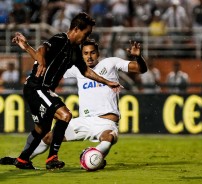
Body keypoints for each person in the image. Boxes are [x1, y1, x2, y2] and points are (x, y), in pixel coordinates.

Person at [0, 34, 147, 169]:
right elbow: (47, 64)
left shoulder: (111, 63)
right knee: (48, 137)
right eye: (85, 53)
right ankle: (22, 159)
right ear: (81, 55)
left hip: (106, 123)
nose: (89, 57)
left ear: (98, 53)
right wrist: (27, 47)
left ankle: (92, 155)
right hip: (84, 121)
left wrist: (138, 57)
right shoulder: (77, 69)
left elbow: (141, 69)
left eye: (92, 53)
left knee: (108, 138)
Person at [7, 12, 120, 170]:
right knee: (65, 115)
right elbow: (42, 49)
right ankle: (52, 158)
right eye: (86, 33)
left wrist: (107, 82)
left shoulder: (74, 50)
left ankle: (22, 160)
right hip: (37, 87)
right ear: (76, 29)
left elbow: (86, 72)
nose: (87, 37)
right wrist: (39, 59)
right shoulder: (60, 40)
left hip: (43, 90)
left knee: (43, 129)